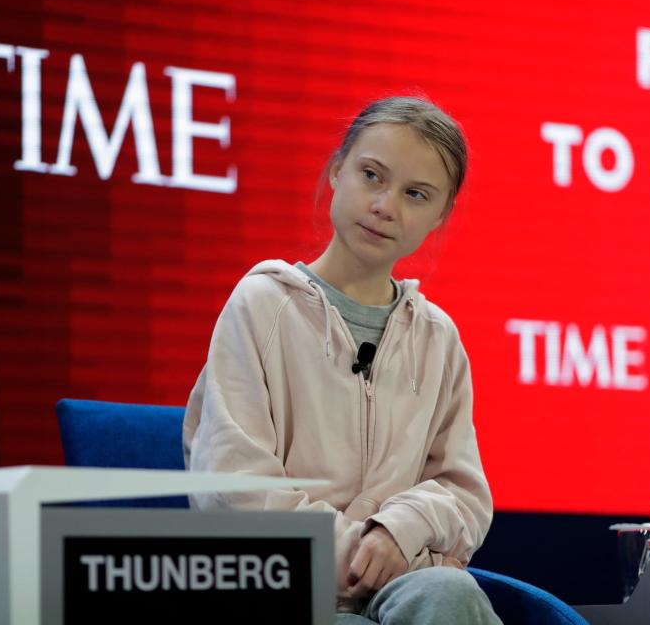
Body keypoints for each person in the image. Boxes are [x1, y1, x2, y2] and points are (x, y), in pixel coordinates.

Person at [183, 96, 500, 624]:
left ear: (439, 214)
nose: (385, 206)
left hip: (402, 581)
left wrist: (404, 528)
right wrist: (367, 553)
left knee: (453, 597)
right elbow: (234, 491)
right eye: (372, 176)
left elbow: (462, 493)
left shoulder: (438, 337)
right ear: (337, 171)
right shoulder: (261, 305)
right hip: (282, 586)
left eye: (415, 194)